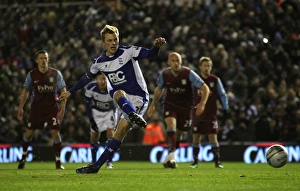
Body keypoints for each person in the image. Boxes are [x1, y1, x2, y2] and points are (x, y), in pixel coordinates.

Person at [59, 24, 166, 173]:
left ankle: (132, 114)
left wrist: (156, 47)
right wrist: (71, 91)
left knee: (117, 98)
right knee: (118, 125)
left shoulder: (128, 52)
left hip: (139, 98)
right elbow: (86, 78)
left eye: (115, 39)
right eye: (109, 40)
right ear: (103, 43)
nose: (113, 43)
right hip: (124, 101)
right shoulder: (99, 62)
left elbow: (150, 54)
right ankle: (95, 167)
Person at [147, 52, 209, 168]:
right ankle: (173, 157)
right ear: (168, 62)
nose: (176, 63)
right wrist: (153, 104)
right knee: (171, 127)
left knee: (179, 134)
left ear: (181, 62)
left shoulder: (188, 73)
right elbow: (158, 89)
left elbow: (205, 87)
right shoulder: (165, 74)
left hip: (186, 108)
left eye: (178, 61)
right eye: (173, 61)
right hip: (170, 105)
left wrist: (202, 104)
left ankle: (169, 157)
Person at [17, 50, 67, 170]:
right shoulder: (32, 75)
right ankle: (23, 158)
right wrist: (20, 108)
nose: (43, 60)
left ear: (48, 59)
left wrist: (62, 109)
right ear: (36, 60)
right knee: (28, 133)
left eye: (45, 58)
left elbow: (63, 91)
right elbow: (25, 91)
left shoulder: (56, 74)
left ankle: (58, 161)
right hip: (37, 108)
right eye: (41, 58)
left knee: (55, 133)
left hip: (52, 108)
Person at [190, 56, 228, 169]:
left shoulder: (215, 80)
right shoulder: (195, 81)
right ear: (200, 67)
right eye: (205, 66)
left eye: (209, 66)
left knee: (213, 137)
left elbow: (222, 94)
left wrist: (226, 108)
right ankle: (195, 162)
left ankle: (217, 161)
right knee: (196, 137)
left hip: (211, 114)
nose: (207, 68)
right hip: (197, 114)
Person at [84, 74, 118, 169]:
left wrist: (116, 116)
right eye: (100, 79)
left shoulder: (112, 87)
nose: (103, 82)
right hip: (96, 113)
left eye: (104, 79)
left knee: (110, 133)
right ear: (96, 80)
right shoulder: (91, 88)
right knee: (94, 136)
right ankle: (93, 161)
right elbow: (87, 103)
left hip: (110, 112)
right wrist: (91, 119)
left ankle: (109, 162)